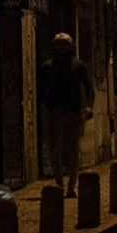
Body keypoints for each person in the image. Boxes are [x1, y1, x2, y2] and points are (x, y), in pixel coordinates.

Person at [39, 33, 95, 198]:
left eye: (64, 44)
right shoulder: (47, 67)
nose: (61, 48)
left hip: (74, 112)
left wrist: (88, 106)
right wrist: (49, 105)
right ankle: (59, 183)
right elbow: (40, 90)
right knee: (55, 148)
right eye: (58, 44)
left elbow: (89, 88)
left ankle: (72, 185)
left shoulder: (78, 66)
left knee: (73, 148)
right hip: (55, 112)